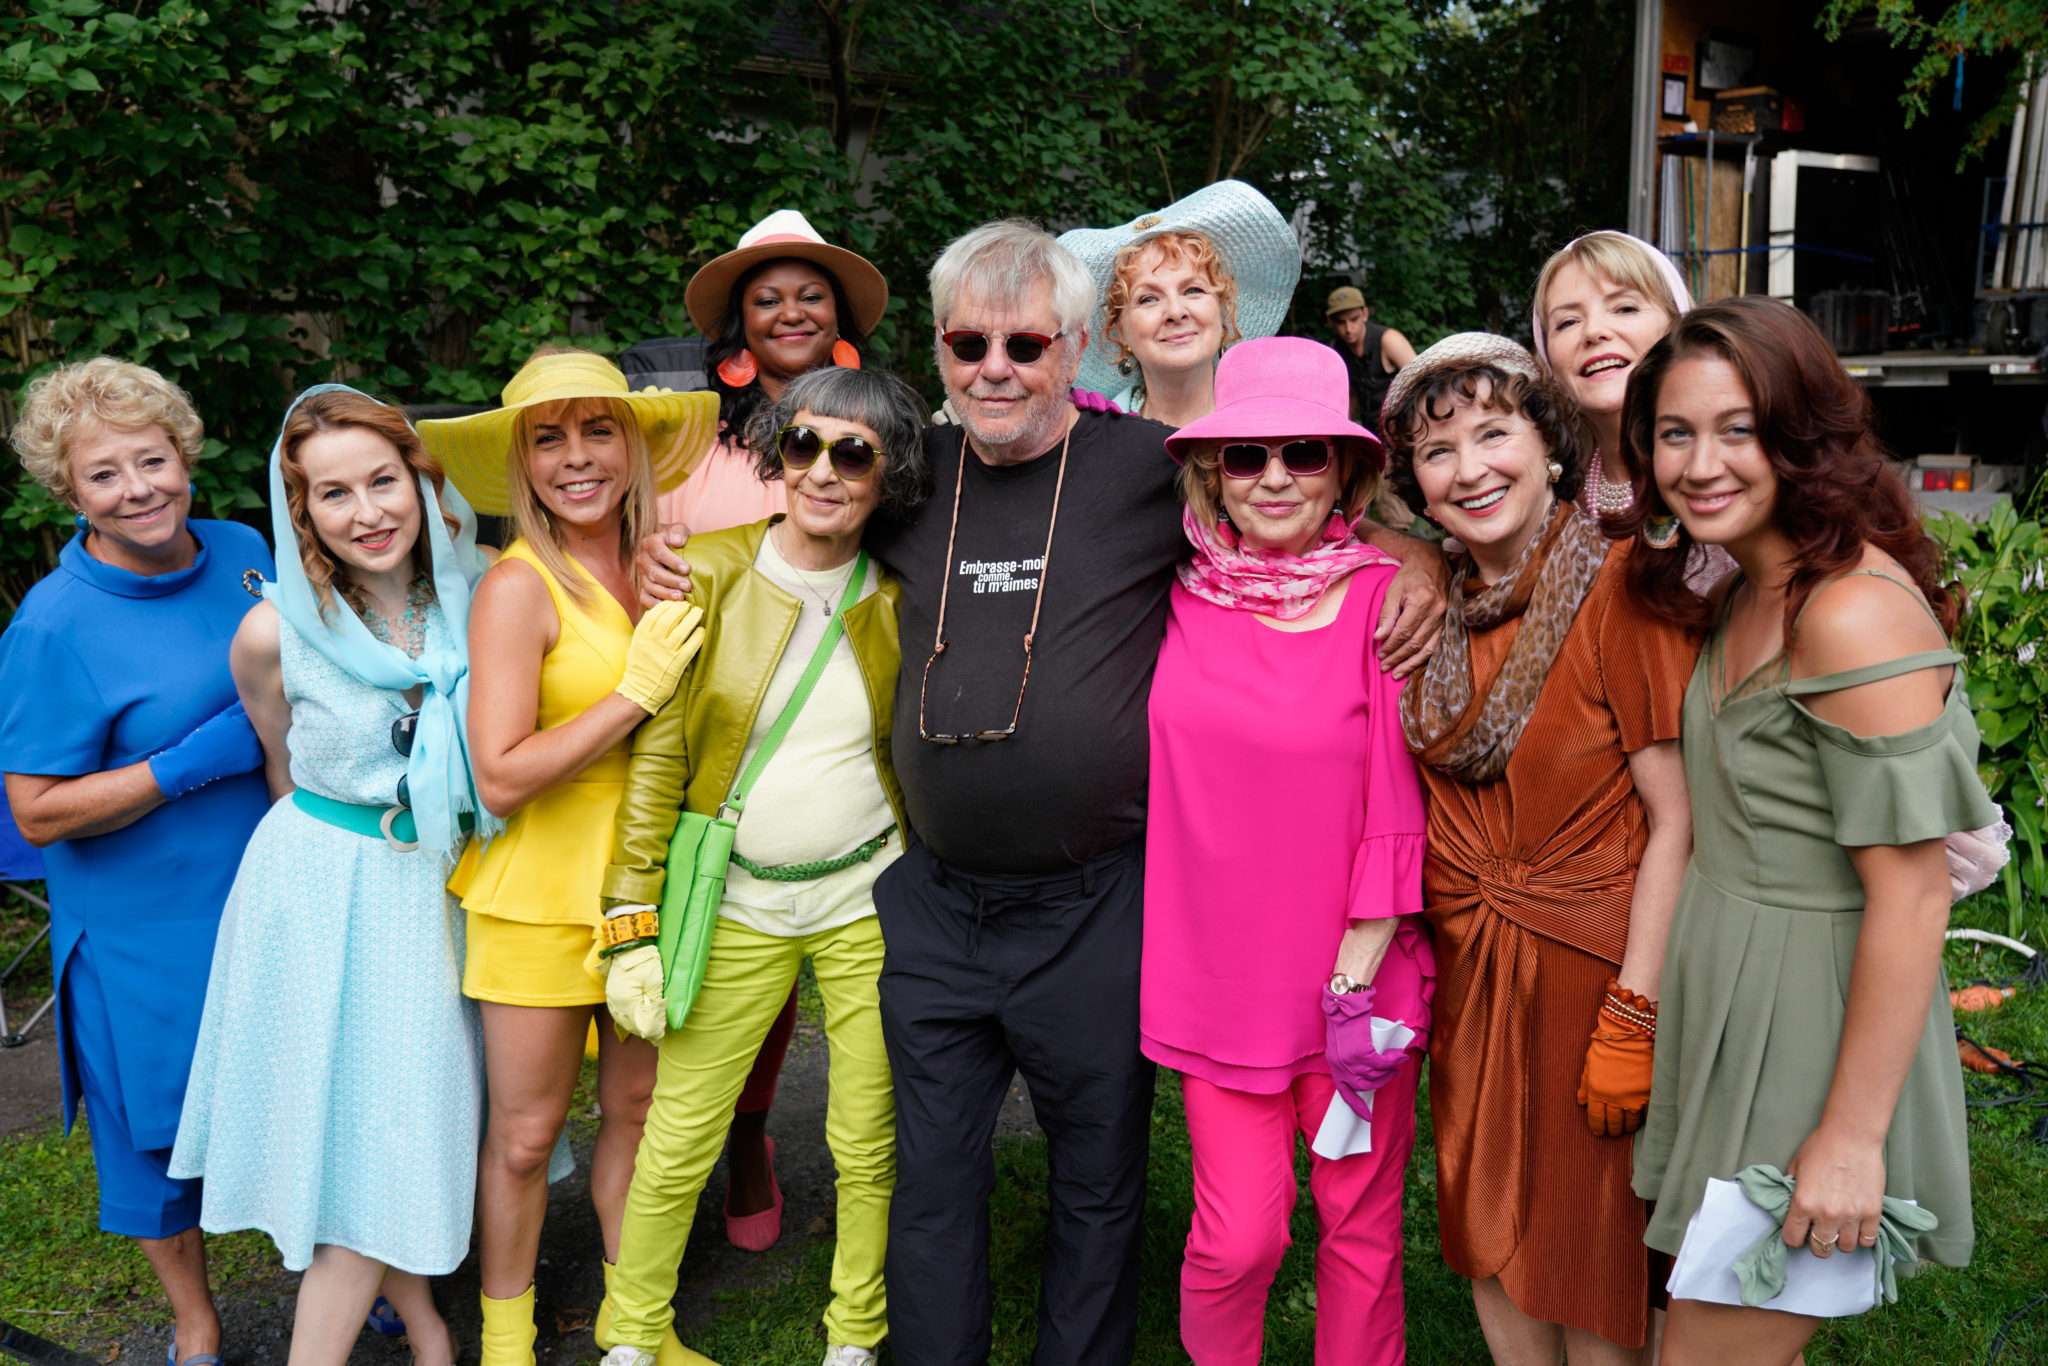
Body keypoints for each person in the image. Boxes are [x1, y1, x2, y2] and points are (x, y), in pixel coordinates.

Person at [639, 218, 1448, 1365]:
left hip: (1093, 907)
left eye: (1024, 343)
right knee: (930, 1176)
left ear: (1073, 346)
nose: (995, 370)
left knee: (1096, 1179)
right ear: (937, 347)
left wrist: (1408, 556)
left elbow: (1299, 504)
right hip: (935, 903)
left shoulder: (1147, 468)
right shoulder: (904, 466)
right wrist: (672, 558)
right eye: (967, 345)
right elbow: (795, 527)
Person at [1616, 298, 1995, 1365]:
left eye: (1735, 429)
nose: (1697, 464)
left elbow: (1913, 892)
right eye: (1673, 433)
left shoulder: (1847, 611)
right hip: (1732, 992)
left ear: (1800, 434)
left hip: (1813, 1020)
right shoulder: (1747, 582)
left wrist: (1847, 1137)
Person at [594, 366, 928, 1366]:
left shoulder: (900, 594)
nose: (822, 471)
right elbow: (657, 759)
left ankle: (853, 1336)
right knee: (679, 1133)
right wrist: (628, 920)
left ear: (887, 475)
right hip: (735, 901)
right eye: (803, 445)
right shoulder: (706, 572)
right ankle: (631, 1332)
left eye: (853, 453)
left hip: (867, 897)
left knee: (866, 1137)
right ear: (778, 453)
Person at [1380, 333, 1697, 1361]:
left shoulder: (1619, 587)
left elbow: (1676, 821)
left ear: (1549, 445)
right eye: (1437, 452)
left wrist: (1633, 1012)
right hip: (1470, 972)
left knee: (1584, 1248)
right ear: (1415, 490)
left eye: (1492, 432)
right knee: (1484, 1227)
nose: (1470, 467)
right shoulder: (1425, 617)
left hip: (1591, 973)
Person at [169, 386, 494, 1365]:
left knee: (399, 1120)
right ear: (299, 510)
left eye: (382, 481)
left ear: (419, 476)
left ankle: (429, 1321)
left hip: (444, 881)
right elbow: (282, 759)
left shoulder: (477, 590)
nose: (367, 511)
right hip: (328, 887)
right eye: (332, 494)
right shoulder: (276, 631)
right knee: (369, 1129)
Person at [414, 348, 717, 1366]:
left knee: (637, 1112)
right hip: (539, 896)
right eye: (549, 437)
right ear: (522, 460)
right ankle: (506, 1340)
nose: (576, 458)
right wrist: (632, 694)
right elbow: (498, 775)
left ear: (633, 447)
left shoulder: (669, 559)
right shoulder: (514, 586)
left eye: (598, 431)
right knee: (525, 1136)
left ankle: (639, 1328)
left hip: (650, 890)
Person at [1144, 335, 1431, 1365]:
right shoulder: (1165, 593)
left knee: (1358, 1231)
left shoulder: (1383, 602)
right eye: (1246, 454)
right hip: (1213, 976)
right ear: (1210, 471)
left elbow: (1397, 802)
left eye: (1302, 453)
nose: (1272, 477)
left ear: (1344, 470)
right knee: (1236, 1239)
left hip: (1355, 975)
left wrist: (1353, 975)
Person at [0, 358, 275, 1366]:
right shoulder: (53, 626)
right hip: (140, 923)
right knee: (156, 1133)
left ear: (185, 455)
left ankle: (347, 1273)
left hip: (272, 886)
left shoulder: (249, 551)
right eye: (105, 475)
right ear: (70, 493)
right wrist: (190, 762)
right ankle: (196, 1320)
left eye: (151, 460)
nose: (139, 489)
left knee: (303, 1086)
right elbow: (35, 812)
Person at [641, 209, 894, 1248]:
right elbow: (643, 538)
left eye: (809, 293)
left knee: (815, 935)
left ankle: (751, 1130)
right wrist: (654, 564)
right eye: (765, 296)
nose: (790, 309)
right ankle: (724, 1135)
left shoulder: (886, 419)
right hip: (707, 710)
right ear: (737, 329)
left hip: (835, 709)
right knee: (708, 942)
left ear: (839, 317)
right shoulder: (691, 435)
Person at [1059, 180, 1300, 426]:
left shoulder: (1270, 431)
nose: (1175, 312)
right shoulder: (1091, 439)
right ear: (1119, 331)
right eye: (1148, 299)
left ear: (1223, 309)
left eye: (1193, 290)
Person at [1528, 230, 1694, 529]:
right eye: (1568, 322)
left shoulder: (1724, 477)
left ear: (1676, 326)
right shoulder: (1547, 502)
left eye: (1625, 308)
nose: (1594, 331)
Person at [1327, 284, 1416, 431]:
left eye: (1354, 319)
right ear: (1330, 321)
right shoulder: (1336, 351)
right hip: (1371, 429)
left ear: (1365, 314)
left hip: (1403, 426)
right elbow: (1350, 395)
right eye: (1341, 322)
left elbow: (1421, 380)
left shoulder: (1389, 340)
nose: (1348, 329)